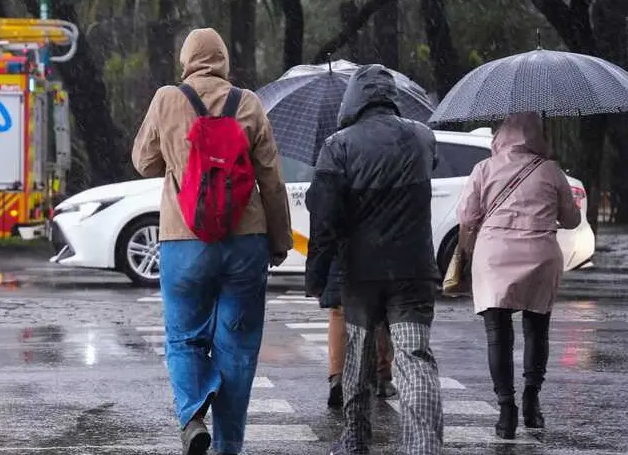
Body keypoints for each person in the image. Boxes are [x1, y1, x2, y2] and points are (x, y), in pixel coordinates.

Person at [132, 27, 293, 455]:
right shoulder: (250, 103)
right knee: (237, 348)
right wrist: (279, 240)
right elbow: (271, 180)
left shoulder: (168, 99)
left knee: (184, 337)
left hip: (184, 239)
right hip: (246, 241)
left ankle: (192, 416)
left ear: (186, 60)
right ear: (224, 59)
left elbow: (143, 161)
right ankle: (228, 447)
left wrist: (181, 158)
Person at [305, 65, 444, 455]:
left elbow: (325, 218)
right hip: (413, 269)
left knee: (358, 360)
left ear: (354, 100)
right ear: (391, 96)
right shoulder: (422, 136)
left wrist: (316, 274)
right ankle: (423, 447)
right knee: (414, 358)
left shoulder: (338, 145)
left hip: (361, 273)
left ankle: (355, 439)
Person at [455, 112, 580, 439]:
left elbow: (467, 216)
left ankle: (505, 409)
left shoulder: (484, 168)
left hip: (495, 255)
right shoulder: (551, 170)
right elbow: (571, 220)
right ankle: (532, 401)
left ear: (501, 136)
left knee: (498, 332)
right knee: (537, 328)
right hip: (539, 254)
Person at [322, 262, 397, 409]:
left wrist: (316, 275)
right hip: (383, 257)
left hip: (342, 258)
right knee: (380, 310)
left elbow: (322, 240)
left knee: (339, 311)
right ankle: (382, 376)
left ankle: (338, 376)